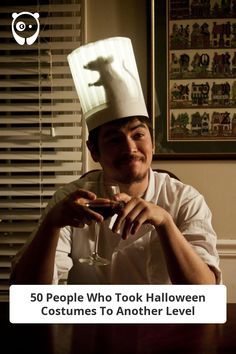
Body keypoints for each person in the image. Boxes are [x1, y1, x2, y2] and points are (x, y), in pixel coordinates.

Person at [10, 37, 221, 285]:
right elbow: (26, 293)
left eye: (138, 135)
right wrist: (51, 226)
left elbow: (206, 294)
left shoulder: (185, 200)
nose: (129, 148)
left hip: (163, 322)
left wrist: (164, 222)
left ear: (153, 142)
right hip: (88, 322)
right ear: (94, 151)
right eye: (113, 140)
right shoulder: (69, 202)